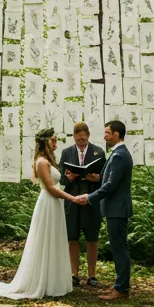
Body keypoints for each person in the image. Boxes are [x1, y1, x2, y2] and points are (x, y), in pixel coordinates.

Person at [0, 129, 72, 300]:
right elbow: (49, 188)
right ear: (45, 142)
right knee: (45, 240)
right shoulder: (41, 162)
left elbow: (55, 183)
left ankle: (53, 280)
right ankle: (43, 281)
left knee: (54, 239)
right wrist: (73, 198)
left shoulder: (49, 161)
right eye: (53, 141)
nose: (56, 144)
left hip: (54, 203)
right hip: (49, 202)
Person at [73, 120, 134, 301]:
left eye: (108, 133)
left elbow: (110, 187)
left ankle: (121, 288)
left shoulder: (119, 155)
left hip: (117, 209)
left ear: (117, 134)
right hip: (115, 208)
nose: (105, 136)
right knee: (118, 247)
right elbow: (110, 180)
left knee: (119, 249)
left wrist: (89, 197)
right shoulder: (118, 154)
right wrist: (98, 176)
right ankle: (120, 285)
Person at [59, 122, 105, 289]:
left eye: (83, 140)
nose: (81, 143)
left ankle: (92, 275)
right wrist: (68, 178)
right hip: (72, 199)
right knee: (72, 236)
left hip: (92, 199)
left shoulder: (99, 152)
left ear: (88, 136)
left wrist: (97, 179)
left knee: (92, 237)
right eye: (78, 140)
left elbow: (105, 178)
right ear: (74, 137)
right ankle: (74, 274)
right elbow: (61, 179)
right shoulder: (66, 152)